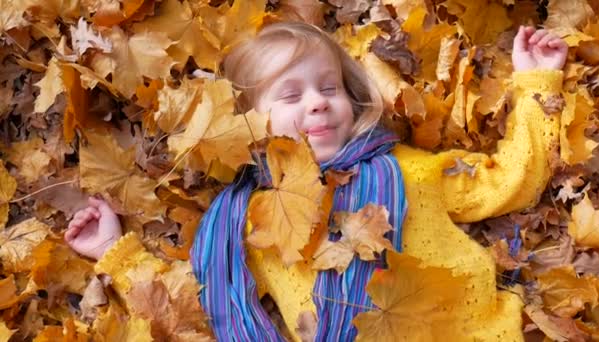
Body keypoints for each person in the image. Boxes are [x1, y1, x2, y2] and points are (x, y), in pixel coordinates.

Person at [66, 23, 567, 341]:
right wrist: (117, 252)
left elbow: (509, 184)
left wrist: (536, 84)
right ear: (250, 124)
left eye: (329, 88)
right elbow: (197, 303)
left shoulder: (407, 169)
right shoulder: (252, 222)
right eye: (290, 96)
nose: (317, 102)